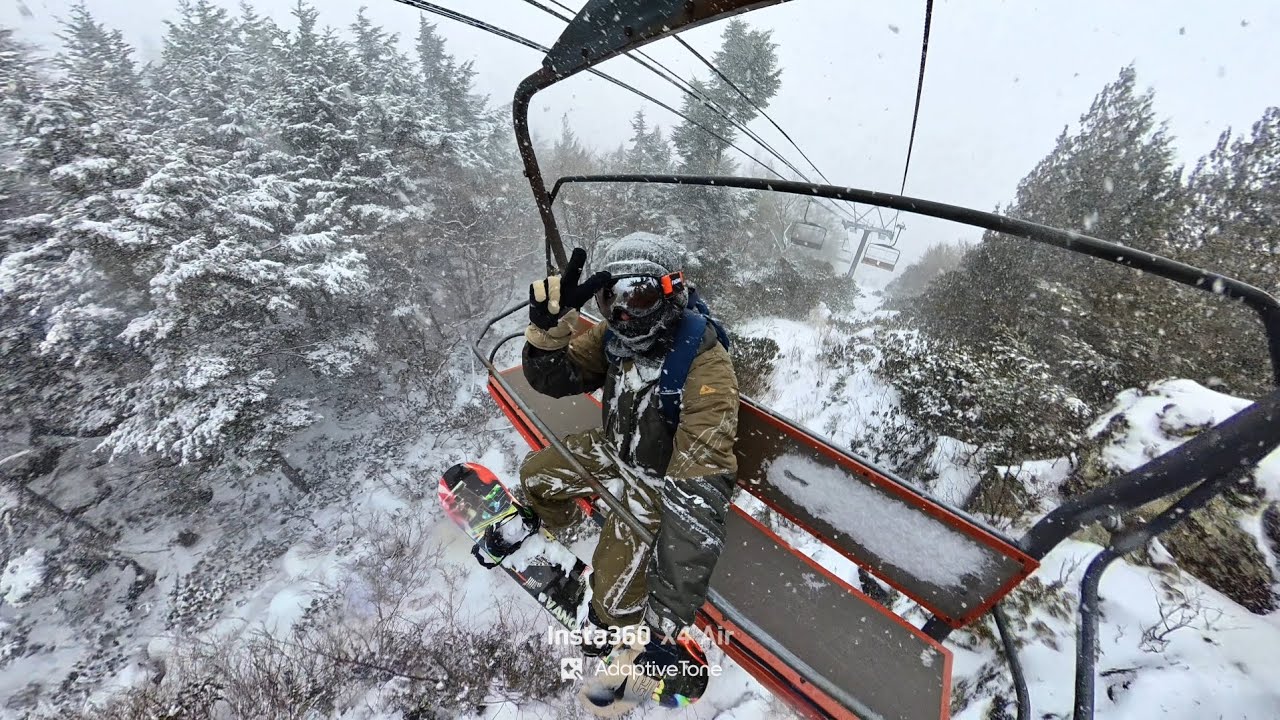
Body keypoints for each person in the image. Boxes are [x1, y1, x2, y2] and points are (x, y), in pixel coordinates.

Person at [477, 232, 739, 710]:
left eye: (638, 296)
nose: (622, 314)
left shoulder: (706, 370)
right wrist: (548, 332)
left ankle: (617, 620)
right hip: (615, 449)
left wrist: (665, 621)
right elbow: (558, 377)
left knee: (613, 600)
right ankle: (563, 529)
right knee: (536, 476)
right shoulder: (615, 338)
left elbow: (698, 498)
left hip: (657, 482)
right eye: (609, 298)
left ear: (671, 291)